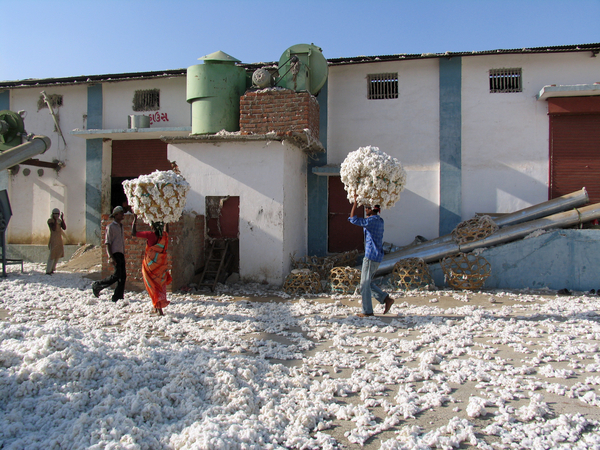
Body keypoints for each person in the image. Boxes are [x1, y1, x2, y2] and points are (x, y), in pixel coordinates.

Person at [349, 194, 394, 317]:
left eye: (367, 208)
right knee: (366, 283)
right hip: (377, 256)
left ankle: (367, 311)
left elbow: (353, 219)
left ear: (372, 209)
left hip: (370, 257)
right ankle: (386, 299)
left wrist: (354, 204)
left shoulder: (371, 221)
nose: (365, 209)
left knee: (364, 285)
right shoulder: (379, 220)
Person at [132, 214, 172, 315]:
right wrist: (167, 220)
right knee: (159, 285)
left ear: (153, 226)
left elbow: (133, 233)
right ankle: (156, 307)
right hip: (161, 266)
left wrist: (134, 219)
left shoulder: (150, 235)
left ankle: (159, 309)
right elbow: (167, 231)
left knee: (153, 286)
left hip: (151, 267)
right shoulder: (164, 236)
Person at [92, 206, 126, 302]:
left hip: (121, 253)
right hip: (115, 253)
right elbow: (107, 242)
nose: (122, 215)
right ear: (115, 215)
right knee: (117, 275)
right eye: (120, 213)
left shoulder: (121, 226)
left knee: (122, 276)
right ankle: (97, 285)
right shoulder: (110, 227)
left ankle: (118, 296)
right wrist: (110, 257)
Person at [46, 208, 66, 274]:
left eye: (57, 214)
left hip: (59, 239)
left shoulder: (59, 221)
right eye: (55, 214)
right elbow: (53, 229)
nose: (56, 215)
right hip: (53, 239)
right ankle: (48, 270)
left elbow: (64, 227)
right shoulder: (50, 221)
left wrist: (62, 219)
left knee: (57, 254)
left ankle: (52, 269)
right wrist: (55, 220)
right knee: (52, 255)